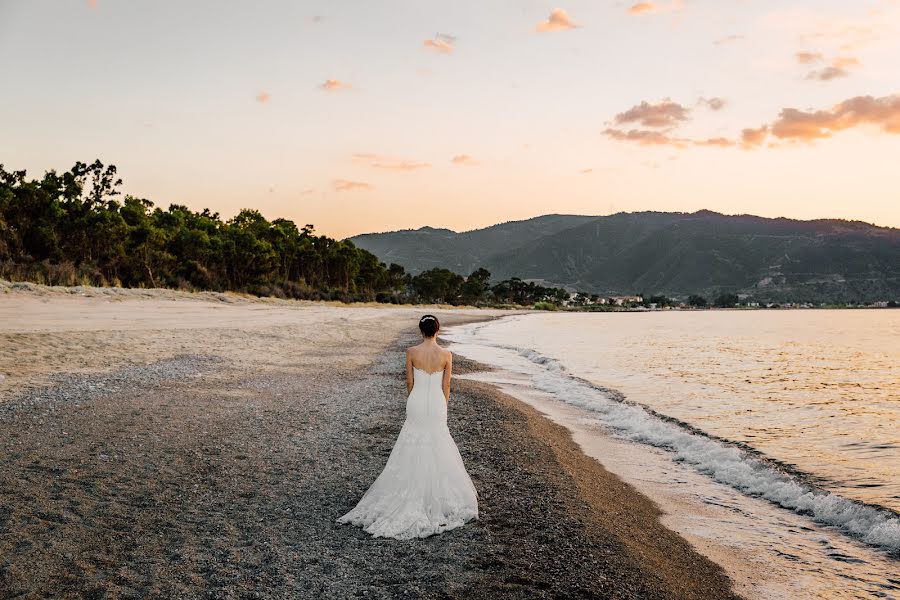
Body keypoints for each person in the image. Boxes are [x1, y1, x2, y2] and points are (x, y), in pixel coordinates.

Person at [336, 314, 479, 539]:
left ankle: (406, 492)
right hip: (437, 403)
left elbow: (409, 382)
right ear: (437, 331)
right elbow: (447, 384)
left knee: (412, 441)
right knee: (437, 442)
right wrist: (443, 404)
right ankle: (436, 496)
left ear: (421, 331)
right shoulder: (446, 354)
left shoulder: (412, 352)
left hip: (416, 401)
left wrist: (413, 399)